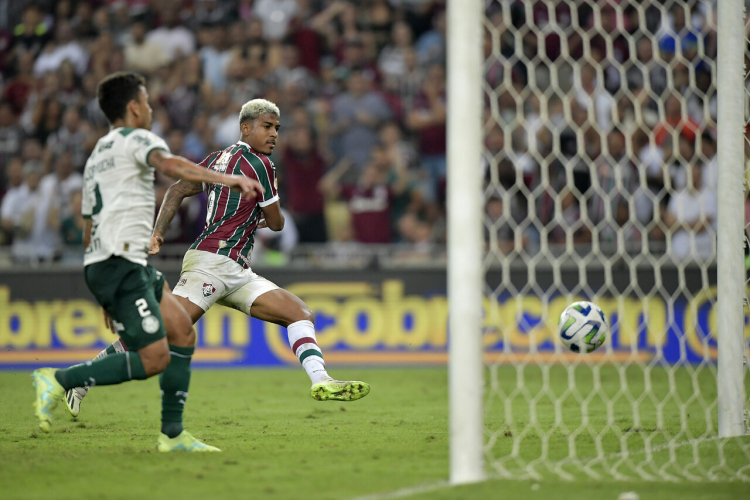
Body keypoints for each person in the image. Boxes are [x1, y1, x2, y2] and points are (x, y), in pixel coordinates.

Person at [67, 98, 370, 414]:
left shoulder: (215, 160)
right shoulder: (262, 165)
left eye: (277, 128)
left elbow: (176, 190)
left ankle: (321, 379)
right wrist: (263, 217)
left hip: (235, 269)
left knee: (299, 313)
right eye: (267, 127)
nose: (274, 134)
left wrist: (158, 232)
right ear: (245, 127)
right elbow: (278, 224)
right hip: (213, 264)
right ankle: (82, 376)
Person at [31, 72, 262, 452]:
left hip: (115, 262)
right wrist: (228, 180)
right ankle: (60, 378)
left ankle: (172, 434)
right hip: (121, 263)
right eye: (149, 103)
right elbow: (171, 167)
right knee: (154, 358)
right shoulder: (138, 138)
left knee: (182, 333)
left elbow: (89, 229)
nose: (152, 110)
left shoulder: (97, 158)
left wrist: (106, 293)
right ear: (135, 107)